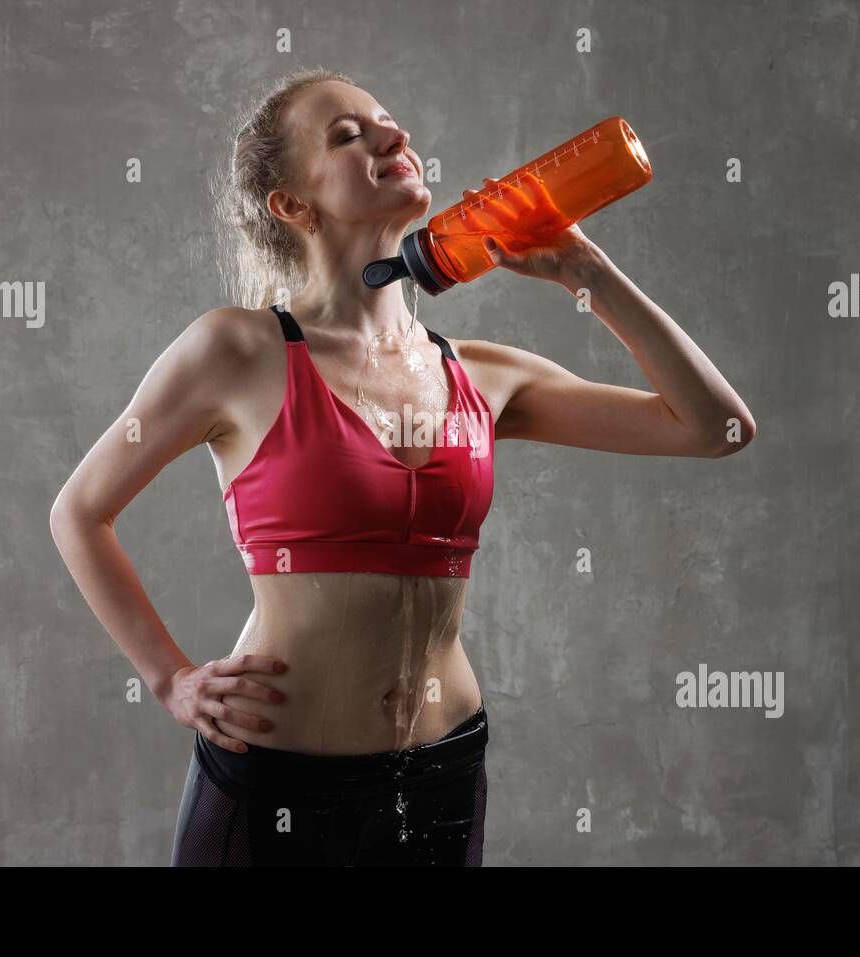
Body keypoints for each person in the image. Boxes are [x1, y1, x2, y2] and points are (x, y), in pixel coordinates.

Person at [48, 67, 756, 866]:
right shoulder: (237, 351)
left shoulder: (482, 376)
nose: (395, 138)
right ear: (292, 204)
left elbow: (717, 427)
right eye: (348, 136)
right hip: (278, 780)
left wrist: (587, 273)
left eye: (390, 122)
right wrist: (170, 678)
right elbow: (78, 511)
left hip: (441, 774)